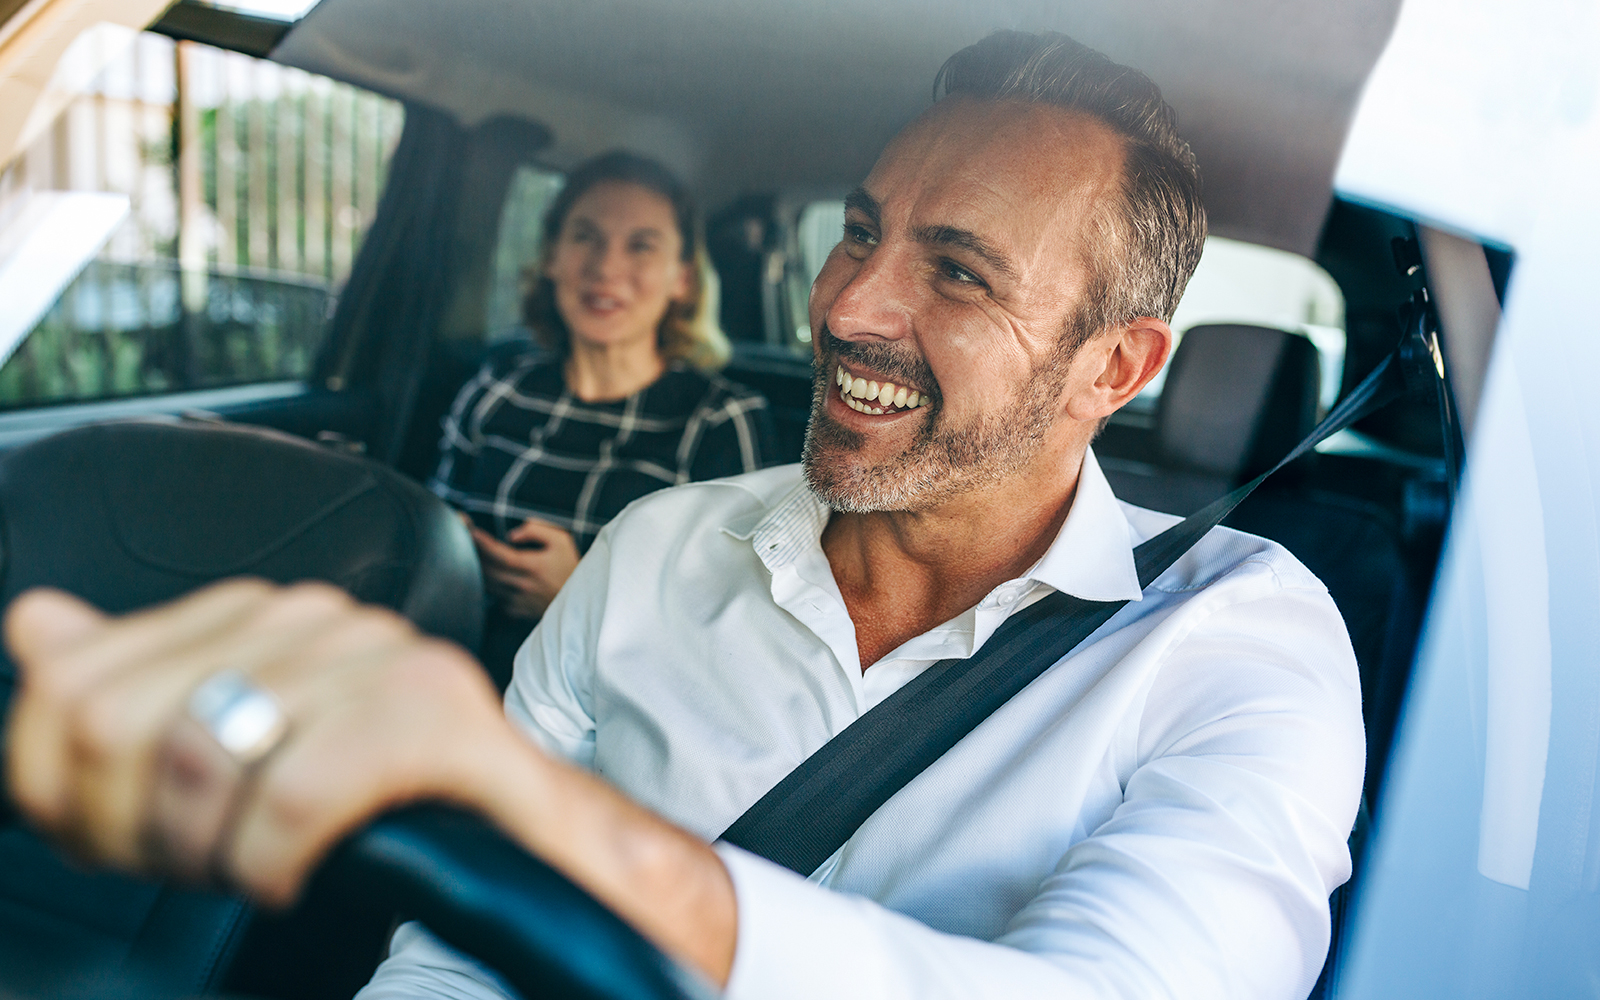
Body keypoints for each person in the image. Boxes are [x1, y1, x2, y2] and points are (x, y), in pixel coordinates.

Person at [3, 30, 1364, 1000]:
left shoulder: (1238, 645)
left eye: (955, 271)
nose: (844, 309)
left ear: (1115, 369)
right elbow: (444, 954)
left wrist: (537, 818)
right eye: (860, 230)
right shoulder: (658, 549)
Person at [430, 151, 779, 685]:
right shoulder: (497, 387)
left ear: (681, 278)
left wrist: (579, 597)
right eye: (585, 237)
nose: (606, 268)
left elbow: (733, 632)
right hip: (451, 673)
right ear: (551, 258)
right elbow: (435, 519)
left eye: (641, 245)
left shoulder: (720, 420)